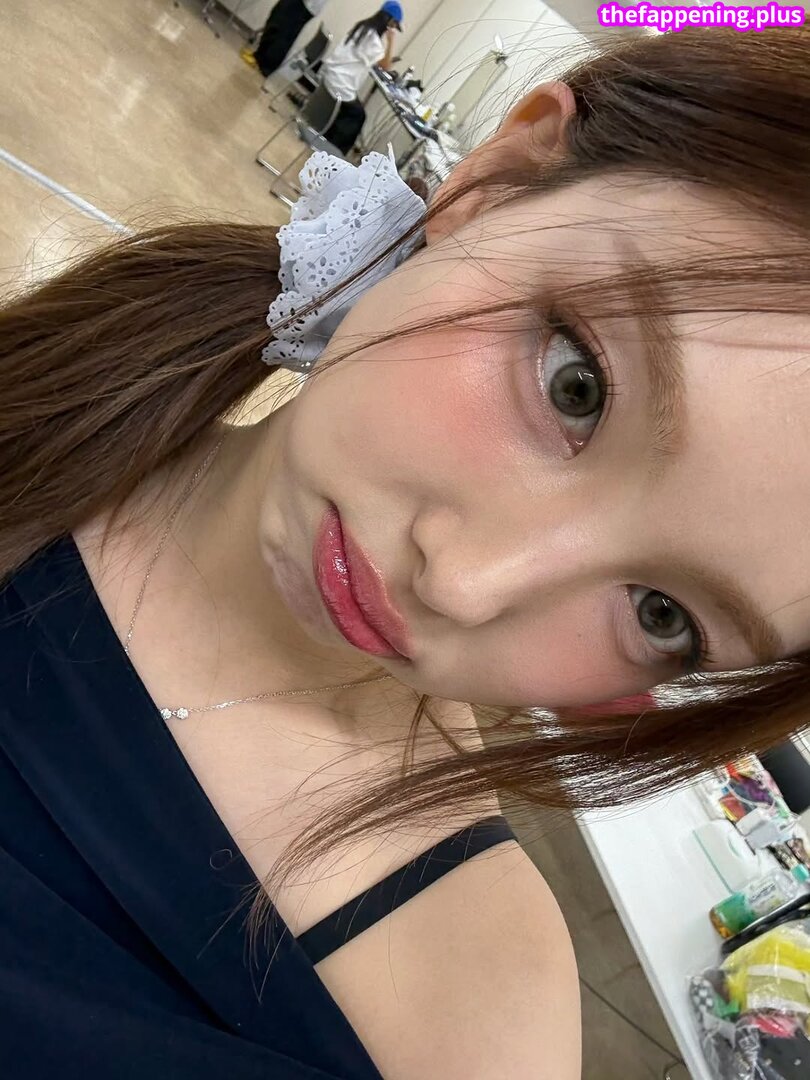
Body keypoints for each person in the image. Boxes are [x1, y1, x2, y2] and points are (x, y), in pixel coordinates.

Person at [2, 23, 810, 1080]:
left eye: (663, 614)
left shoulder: (466, 1033)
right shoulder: (62, 396)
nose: (467, 586)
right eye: (576, 387)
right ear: (495, 185)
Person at [320, 3, 402, 154]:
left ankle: (325, 137)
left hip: (331, 75)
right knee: (359, 115)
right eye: (394, 26)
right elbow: (385, 66)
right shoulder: (373, 41)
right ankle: (333, 152)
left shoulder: (363, 27)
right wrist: (391, 41)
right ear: (390, 22)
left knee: (356, 109)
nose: (393, 30)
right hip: (340, 85)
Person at [240, 0, 328, 79]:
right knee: (276, 21)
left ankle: (266, 66)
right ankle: (259, 56)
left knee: (284, 33)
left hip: (306, 5)